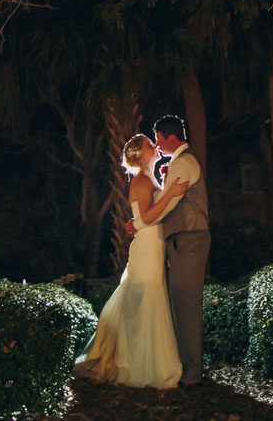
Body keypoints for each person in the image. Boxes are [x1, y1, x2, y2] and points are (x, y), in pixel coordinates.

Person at [72, 134, 191, 388]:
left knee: (147, 300)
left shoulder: (149, 178)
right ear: (140, 155)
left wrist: (164, 183)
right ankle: (145, 365)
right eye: (150, 145)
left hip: (153, 245)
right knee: (147, 300)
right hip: (147, 248)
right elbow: (148, 217)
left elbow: (148, 216)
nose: (155, 146)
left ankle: (142, 359)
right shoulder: (140, 181)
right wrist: (170, 191)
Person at [150, 114, 209, 387]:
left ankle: (193, 372)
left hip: (189, 238)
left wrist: (143, 219)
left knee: (186, 304)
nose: (157, 144)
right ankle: (187, 367)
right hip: (182, 239)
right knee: (180, 303)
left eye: (159, 139)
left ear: (172, 137)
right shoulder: (180, 163)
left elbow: (169, 202)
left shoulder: (184, 163)